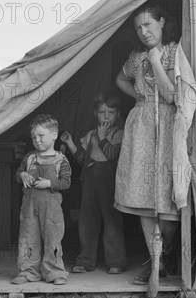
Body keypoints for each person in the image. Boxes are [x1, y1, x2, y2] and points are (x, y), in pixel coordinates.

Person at [114, 4, 181, 284]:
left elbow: (171, 96)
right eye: (139, 28)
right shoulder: (135, 57)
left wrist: (156, 61)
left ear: (162, 22)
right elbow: (120, 79)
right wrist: (140, 99)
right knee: (142, 195)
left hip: (167, 124)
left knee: (166, 196)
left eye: (148, 25)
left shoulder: (176, 52)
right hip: (141, 125)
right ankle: (156, 262)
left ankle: (169, 251)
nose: (143, 32)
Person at [61, 90, 127, 274]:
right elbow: (82, 158)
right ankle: (85, 260)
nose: (106, 117)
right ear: (95, 114)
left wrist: (103, 136)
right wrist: (71, 143)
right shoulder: (90, 134)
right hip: (89, 178)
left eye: (111, 113)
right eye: (102, 112)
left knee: (112, 220)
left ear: (118, 114)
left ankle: (116, 261)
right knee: (87, 220)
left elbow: (113, 155)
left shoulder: (118, 133)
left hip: (109, 179)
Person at [12, 114, 72, 286]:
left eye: (41, 136)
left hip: (51, 210)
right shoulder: (30, 157)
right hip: (29, 207)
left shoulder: (61, 160)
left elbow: (66, 182)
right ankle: (28, 271)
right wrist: (22, 174)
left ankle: (55, 272)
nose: (36, 140)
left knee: (53, 238)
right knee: (28, 237)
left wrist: (49, 183)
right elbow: (18, 173)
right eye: (33, 137)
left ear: (54, 135)